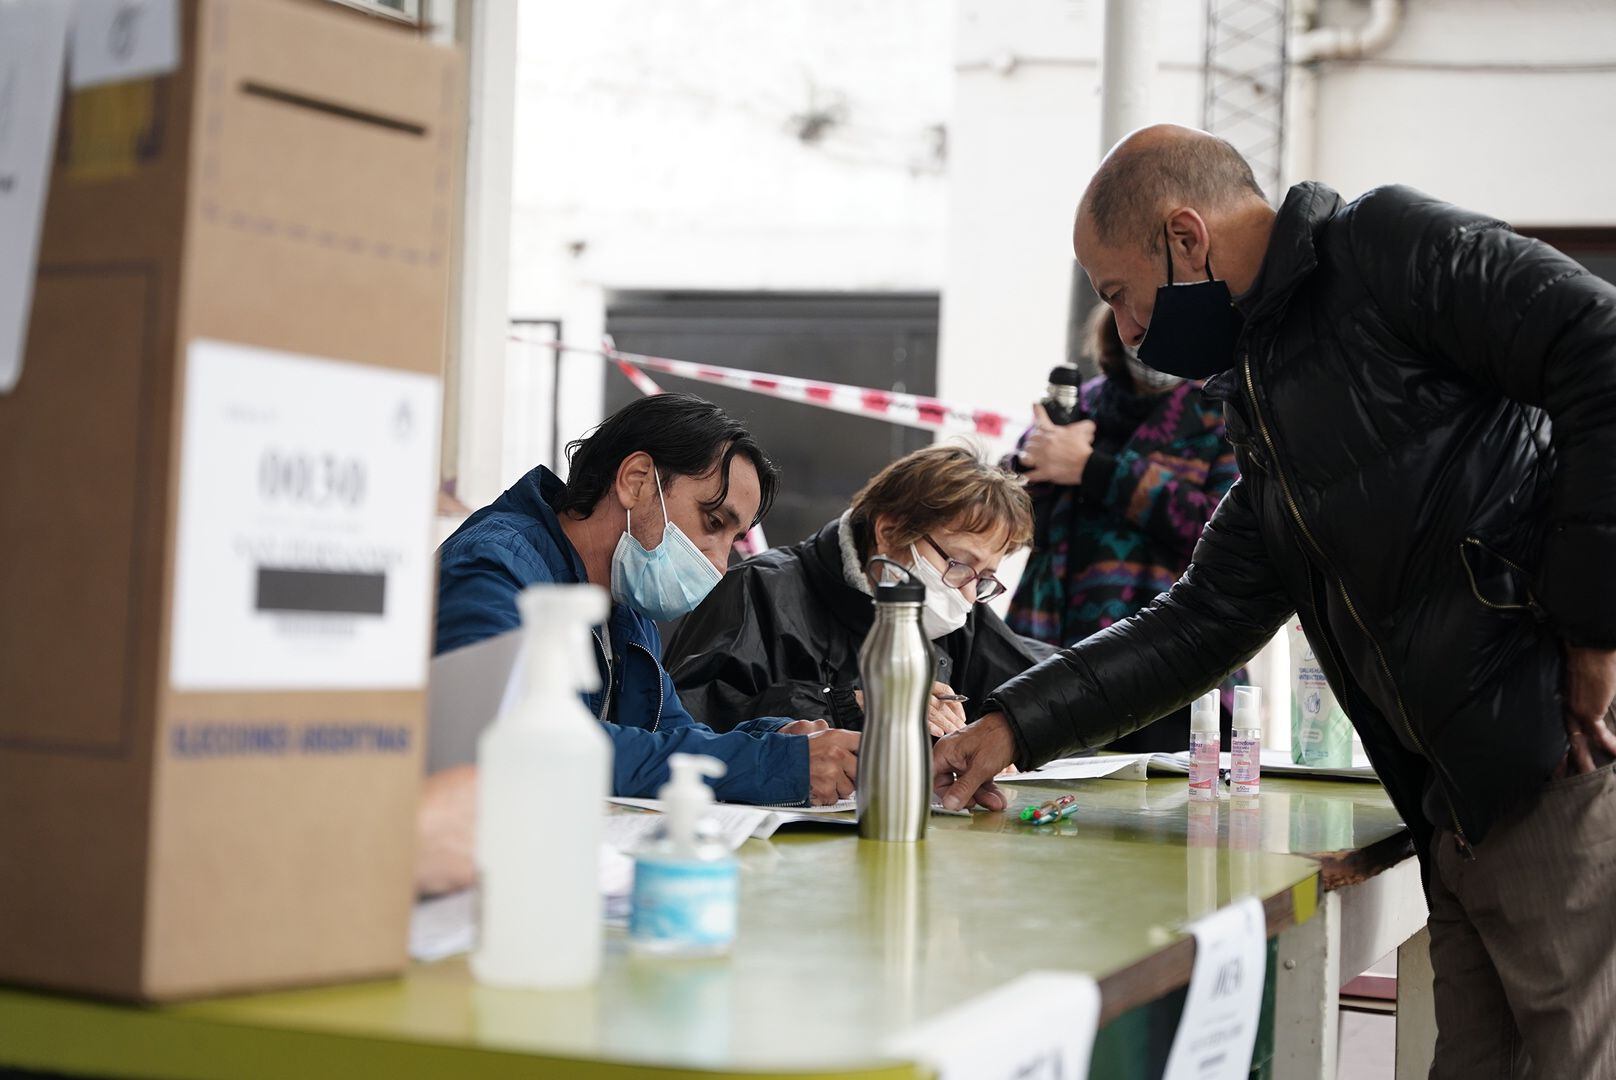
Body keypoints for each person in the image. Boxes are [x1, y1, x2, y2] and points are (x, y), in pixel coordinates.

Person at [934, 125, 1616, 1076]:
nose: (1127, 332)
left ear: (1185, 236)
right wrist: (1015, 723)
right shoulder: (1266, 393)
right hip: (1455, 795)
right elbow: (1205, 615)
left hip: (1556, 759)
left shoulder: (1387, 247)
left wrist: (1593, 629)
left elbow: (1602, 344)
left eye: (1119, 296)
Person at [430, 393, 860, 812]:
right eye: (713, 521)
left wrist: (782, 739)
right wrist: (771, 764)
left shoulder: (626, 611)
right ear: (635, 481)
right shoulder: (494, 567)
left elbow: (665, 737)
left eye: (734, 539)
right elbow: (515, 740)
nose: (719, 562)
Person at [665, 443, 1052, 737]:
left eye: (984, 578)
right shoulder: (758, 589)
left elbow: (1049, 694)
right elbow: (683, 718)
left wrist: (998, 739)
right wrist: (848, 704)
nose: (968, 594)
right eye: (960, 564)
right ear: (889, 531)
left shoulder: (959, 619)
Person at [1008, 305, 1239, 751]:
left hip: (1173, 650)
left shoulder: (1222, 411)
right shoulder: (1081, 404)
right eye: (1135, 320)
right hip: (1057, 647)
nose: (1149, 340)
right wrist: (1029, 465)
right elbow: (1009, 519)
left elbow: (1223, 525)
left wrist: (1094, 469)